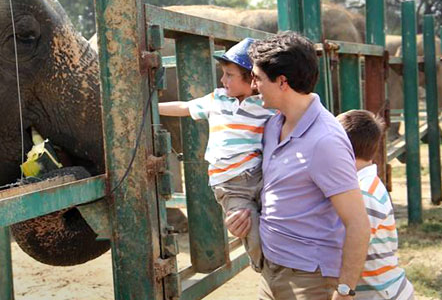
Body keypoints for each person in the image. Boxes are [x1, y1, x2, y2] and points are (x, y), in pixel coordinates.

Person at [226, 32, 371, 299]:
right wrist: (246, 218)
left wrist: (345, 289)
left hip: (310, 280)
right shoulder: (273, 125)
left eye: (257, 78)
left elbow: (358, 224)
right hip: (272, 272)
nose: (254, 86)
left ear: (282, 81)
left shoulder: (325, 141)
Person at [159, 37, 275, 272]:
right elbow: (185, 107)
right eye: (223, 74)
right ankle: (267, 271)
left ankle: (286, 267)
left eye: (229, 75)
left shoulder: (267, 105)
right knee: (250, 231)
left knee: (276, 225)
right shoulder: (217, 99)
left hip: (261, 178)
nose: (223, 80)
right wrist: (153, 107)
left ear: (253, 79)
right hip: (231, 185)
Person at [337, 110, 415, 300]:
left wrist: (343, 291)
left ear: (341, 147)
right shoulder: (366, 184)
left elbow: (355, 245)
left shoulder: (362, 194)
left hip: (379, 294)